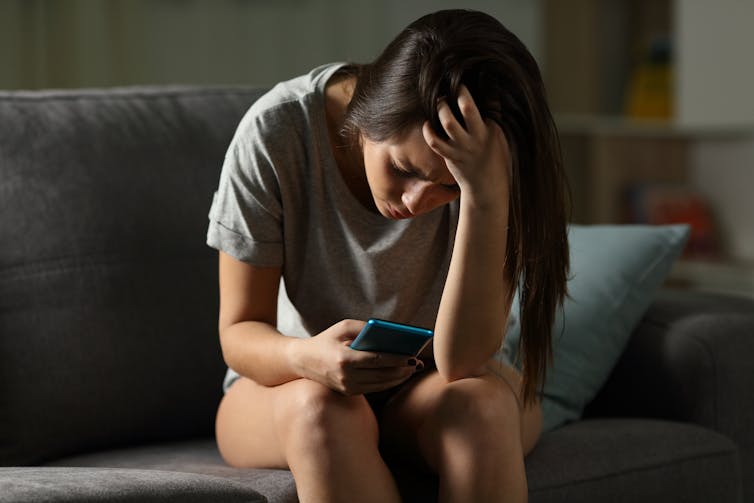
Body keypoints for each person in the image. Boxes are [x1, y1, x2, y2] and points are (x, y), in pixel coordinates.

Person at [207, 8, 569, 502]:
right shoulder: (279, 133)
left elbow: (463, 360)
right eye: (402, 168)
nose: (416, 202)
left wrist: (484, 195)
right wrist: (309, 358)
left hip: (433, 385)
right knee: (323, 412)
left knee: (483, 409)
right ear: (368, 115)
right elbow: (239, 333)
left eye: (446, 188)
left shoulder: (491, 159)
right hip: (292, 383)